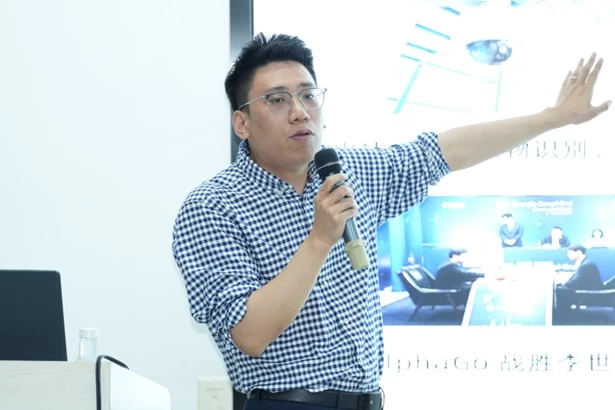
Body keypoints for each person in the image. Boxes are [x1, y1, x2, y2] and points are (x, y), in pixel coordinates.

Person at [171, 33, 609, 410]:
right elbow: (249, 333)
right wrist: (319, 240)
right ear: (242, 123)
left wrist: (553, 118)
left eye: (308, 95)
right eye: (277, 99)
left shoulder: (352, 171)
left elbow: (443, 152)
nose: (300, 111)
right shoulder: (212, 207)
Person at [555, 244, 604, 312]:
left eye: (570, 253)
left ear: (579, 252)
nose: (568, 255)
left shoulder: (586, 265)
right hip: (583, 291)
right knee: (560, 289)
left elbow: (576, 281)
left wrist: (563, 285)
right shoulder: (584, 263)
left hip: (588, 295)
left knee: (559, 291)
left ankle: (562, 315)